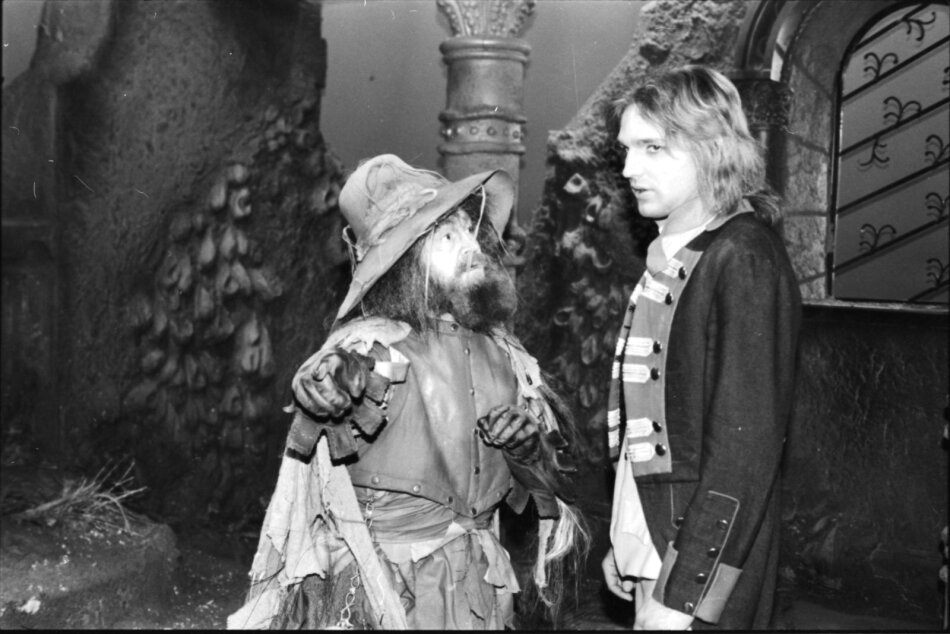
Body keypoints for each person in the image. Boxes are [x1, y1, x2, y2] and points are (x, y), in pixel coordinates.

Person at [228, 154, 584, 630]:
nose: (471, 247)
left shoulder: (507, 358)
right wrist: (325, 382)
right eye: (447, 237)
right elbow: (329, 379)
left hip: (476, 589)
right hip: (380, 593)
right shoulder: (373, 346)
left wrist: (525, 447)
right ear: (406, 260)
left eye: (469, 231)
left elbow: (548, 486)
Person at [601, 66, 801, 630]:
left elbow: (744, 449)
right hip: (660, 538)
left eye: (652, 148)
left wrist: (686, 589)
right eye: (626, 149)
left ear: (710, 149)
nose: (628, 168)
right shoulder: (682, 253)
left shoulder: (743, 257)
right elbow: (655, 429)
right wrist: (629, 537)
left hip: (700, 563)